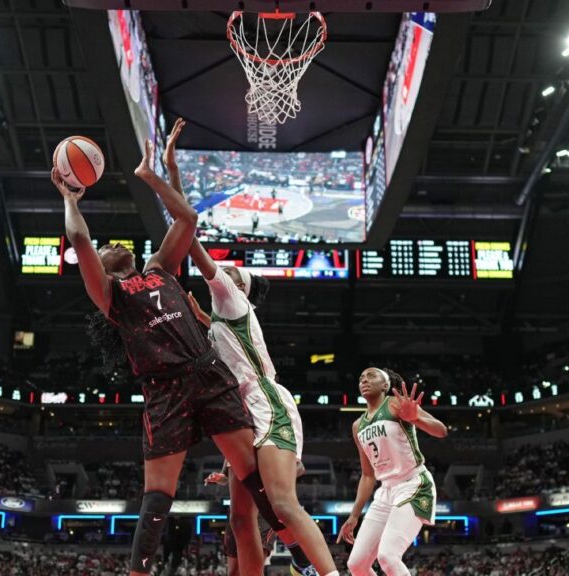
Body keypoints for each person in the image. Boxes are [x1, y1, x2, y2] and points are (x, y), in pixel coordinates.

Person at [54, 117, 284, 576]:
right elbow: (79, 238)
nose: (112, 244)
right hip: (164, 391)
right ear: (102, 265)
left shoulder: (160, 266)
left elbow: (188, 219)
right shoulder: (111, 296)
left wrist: (155, 175)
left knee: (254, 476)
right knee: (158, 497)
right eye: (105, 248)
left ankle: (298, 553)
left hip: (207, 372)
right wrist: (69, 199)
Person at [166, 121, 336, 576]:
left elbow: (189, 236)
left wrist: (172, 175)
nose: (222, 270)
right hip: (242, 415)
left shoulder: (232, 298)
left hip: (267, 403)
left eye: (229, 270)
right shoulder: (218, 323)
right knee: (241, 519)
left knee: (282, 503)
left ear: (238, 286)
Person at [337, 368, 448, 576]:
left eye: (371, 376)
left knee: (388, 556)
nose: (364, 380)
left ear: (385, 385)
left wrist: (416, 418)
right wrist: (354, 515)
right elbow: (367, 475)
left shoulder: (395, 404)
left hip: (413, 484)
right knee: (356, 564)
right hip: (385, 492)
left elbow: (441, 430)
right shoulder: (357, 426)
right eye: (361, 378)